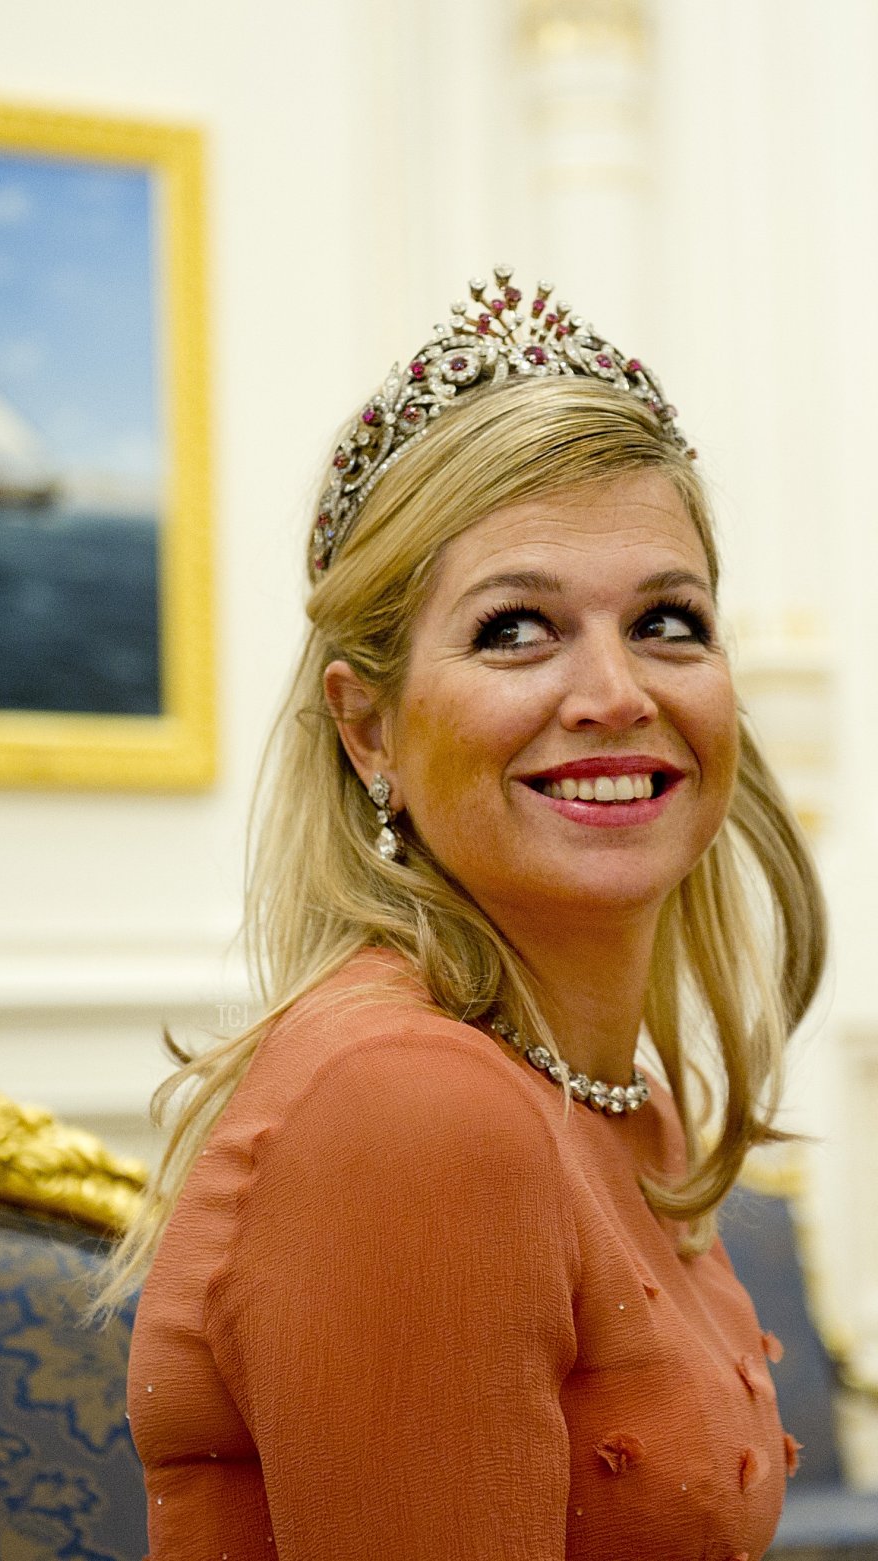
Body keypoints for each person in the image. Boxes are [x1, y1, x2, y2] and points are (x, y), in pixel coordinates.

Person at [97, 268, 827, 1559]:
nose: (614, 691)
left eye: (667, 620)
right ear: (366, 724)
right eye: (516, 631)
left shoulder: (617, 1099)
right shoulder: (412, 1110)